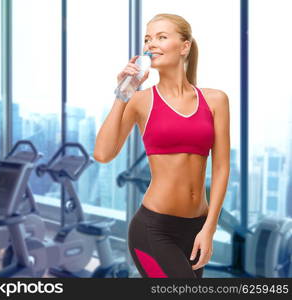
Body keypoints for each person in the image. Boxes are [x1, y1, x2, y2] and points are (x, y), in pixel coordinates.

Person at [93, 13, 230, 278]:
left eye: (161, 37)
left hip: (196, 228)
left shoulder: (216, 100)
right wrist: (124, 92)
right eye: (147, 39)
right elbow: (102, 154)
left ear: (184, 46)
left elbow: (222, 167)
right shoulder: (140, 101)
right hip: (153, 229)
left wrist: (209, 229)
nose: (151, 44)